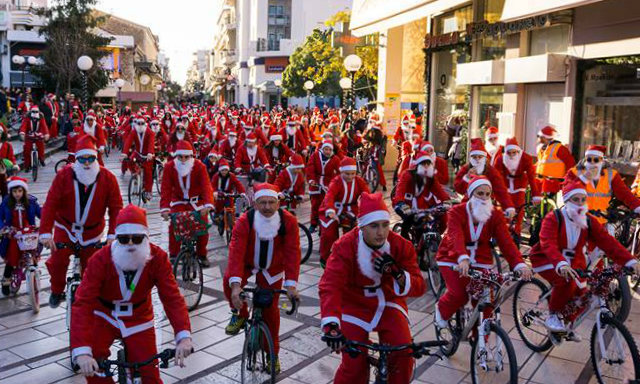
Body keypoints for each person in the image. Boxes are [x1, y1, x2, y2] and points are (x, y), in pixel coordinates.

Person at [70, 205, 194, 382]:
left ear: (145, 238)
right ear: (116, 238)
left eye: (136, 238)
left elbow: (172, 297)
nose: (129, 244)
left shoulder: (157, 258)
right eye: (123, 239)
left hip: (139, 317)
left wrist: (183, 336)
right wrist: (82, 352)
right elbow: (83, 303)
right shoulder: (100, 259)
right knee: (95, 368)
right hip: (104, 315)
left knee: (150, 374)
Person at [319, 192, 426, 384]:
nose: (381, 232)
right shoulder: (345, 246)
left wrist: (399, 275)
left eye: (385, 225)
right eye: (374, 226)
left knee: (403, 354)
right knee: (354, 364)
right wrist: (331, 325)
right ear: (361, 226)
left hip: (388, 303)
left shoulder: (401, 246)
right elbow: (330, 285)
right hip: (354, 304)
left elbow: (419, 286)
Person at [529, 181, 640, 334]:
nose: (580, 203)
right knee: (565, 280)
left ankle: (565, 327)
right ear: (567, 201)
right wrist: (561, 264)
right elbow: (548, 244)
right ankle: (554, 315)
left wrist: (630, 260)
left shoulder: (587, 220)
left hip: (574, 261)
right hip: (545, 258)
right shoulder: (553, 218)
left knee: (582, 295)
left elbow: (607, 242)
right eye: (576, 199)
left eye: (583, 199)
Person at [434, 175, 532, 329]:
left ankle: (480, 343)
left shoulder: (495, 214)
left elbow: (506, 242)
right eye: (480, 193)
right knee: (459, 293)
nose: (484, 198)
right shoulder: (456, 212)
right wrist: (462, 257)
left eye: (487, 194)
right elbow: (455, 236)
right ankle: (442, 310)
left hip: (481, 257)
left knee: (486, 300)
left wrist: (519, 264)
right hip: (451, 256)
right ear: (471, 194)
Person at [223, 183, 301, 374]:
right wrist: (235, 286)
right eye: (262, 203)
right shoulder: (244, 221)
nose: (267, 207)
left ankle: (271, 354)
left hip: (272, 269)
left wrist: (291, 285)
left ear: (278, 202)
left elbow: (293, 253)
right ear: (255, 204)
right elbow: (236, 251)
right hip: (248, 264)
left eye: (271, 202)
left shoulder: (288, 221)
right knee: (228, 280)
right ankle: (240, 314)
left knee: (271, 313)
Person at [40, 136, 123, 307]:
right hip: (66, 227)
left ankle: (87, 303)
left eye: (90, 158)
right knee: (57, 261)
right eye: (82, 159)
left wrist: (112, 235)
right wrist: (46, 233)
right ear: (76, 159)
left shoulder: (108, 178)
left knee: (92, 270)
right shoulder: (63, 175)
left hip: (92, 232)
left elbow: (116, 208)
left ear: (96, 158)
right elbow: (50, 203)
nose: (86, 163)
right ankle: (56, 291)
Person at [160, 140, 214, 267]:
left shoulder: (200, 166)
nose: (183, 160)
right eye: (180, 157)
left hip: (197, 201)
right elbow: (166, 188)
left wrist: (207, 205)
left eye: (186, 157)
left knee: (203, 226)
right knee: (174, 223)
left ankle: (202, 254)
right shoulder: (169, 167)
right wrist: (165, 208)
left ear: (191, 156)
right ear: (176, 156)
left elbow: (206, 186)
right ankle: (174, 254)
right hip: (178, 201)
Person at [564, 144, 640, 224]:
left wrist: (637, 206)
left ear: (601, 161)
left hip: (601, 221)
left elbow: (624, 193)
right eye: (589, 159)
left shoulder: (611, 175)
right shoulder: (573, 173)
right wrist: (584, 178)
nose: (592, 162)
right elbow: (566, 193)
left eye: (596, 160)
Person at [319, 157, 370, 266]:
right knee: (328, 232)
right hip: (334, 208)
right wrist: (330, 211)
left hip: (352, 209)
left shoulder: (359, 181)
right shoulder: (336, 181)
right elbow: (330, 196)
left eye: (353, 173)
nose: (350, 177)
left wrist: (370, 207)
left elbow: (367, 194)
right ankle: (325, 258)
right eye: (347, 174)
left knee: (355, 231)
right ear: (341, 171)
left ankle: (351, 255)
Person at [392, 151, 450, 239]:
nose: (426, 166)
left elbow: (440, 192)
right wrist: (402, 204)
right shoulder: (407, 175)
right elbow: (400, 191)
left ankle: (436, 238)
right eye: (423, 163)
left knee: (442, 216)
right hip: (405, 203)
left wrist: (448, 201)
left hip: (423, 206)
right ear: (417, 165)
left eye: (428, 163)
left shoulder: (431, 178)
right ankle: (405, 241)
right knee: (410, 218)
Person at [454, 138, 515, 218]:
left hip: (487, 204)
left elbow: (501, 190)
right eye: (474, 157)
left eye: (480, 157)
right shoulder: (466, 169)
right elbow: (458, 189)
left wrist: (508, 206)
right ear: (471, 158)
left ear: (485, 158)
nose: (477, 160)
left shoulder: (491, 171)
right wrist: (466, 178)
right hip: (468, 205)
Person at [493, 137, 541, 237]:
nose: (511, 155)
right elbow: (495, 179)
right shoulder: (500, 159)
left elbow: (531, 178)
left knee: (519, 208)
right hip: (505, 183)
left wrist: (535, 195)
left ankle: (517, 232)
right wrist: (493, 194)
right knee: (503, 208)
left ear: (518, 151)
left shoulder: (526, 158)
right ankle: (502, 232)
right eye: (509, 153)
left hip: (520, 184)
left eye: (514, 152)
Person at [0, 177, 41, 296]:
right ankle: (6, 282)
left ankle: (34, 273)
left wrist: (48, 220)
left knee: (33, 253)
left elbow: (40, 213)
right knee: (11, 258)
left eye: (20, 191)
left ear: (24, 191)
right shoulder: (6, 203)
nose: (17, 194)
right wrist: (4, 228)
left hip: (28, 233)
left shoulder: (31, 202)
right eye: (14, 191)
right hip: (13, 233)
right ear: (10, 192)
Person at [306, 139, 340, 233]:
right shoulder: (315, 155)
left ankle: (323, 225)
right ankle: (313, 224)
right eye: (326, 149)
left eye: (329, 150)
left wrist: (337, 183)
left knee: (326, 204)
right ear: (322, 149)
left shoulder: (335, 159)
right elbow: (310, 167)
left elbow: (339, 171)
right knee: (315, 204)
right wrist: (311, 179)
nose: (327, 151)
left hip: (328, 184)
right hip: (315, 183)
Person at [121, 117, 156, 202]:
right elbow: (129, 141)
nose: (140, 125)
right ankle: (135, 175)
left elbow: (151, 143)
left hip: (147, 155)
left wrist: (150, 153)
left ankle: (148, 191)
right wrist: (125, 153)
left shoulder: (150, 132)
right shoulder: (134, 132)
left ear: (145, 124)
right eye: (138, 123)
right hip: (137, 153)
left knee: (148, 173)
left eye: (142, 123)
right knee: (130, 161)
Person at [535, 125, 575, 196]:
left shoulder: (560, 148)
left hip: (553, 184)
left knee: (548, 205)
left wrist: (568, 180)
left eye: (540, 137)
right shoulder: (541, 149)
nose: (538, 139)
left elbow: (570, 164)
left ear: (545, 137)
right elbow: (541, 164)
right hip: (541, 182)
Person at [211, 158, 245, 223]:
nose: (224, 172)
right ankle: (216, 215)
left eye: (226, 170)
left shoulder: (232, 176)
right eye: (222, 170)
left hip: (228, 193)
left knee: (230, 206)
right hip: (218, 193)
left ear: (228, 170)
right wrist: (214, 192)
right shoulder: (216, 176)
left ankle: (231, 221)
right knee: (218, 205)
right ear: (220, 170)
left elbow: (238, 184)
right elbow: (213, 185)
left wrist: (242, 192)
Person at [20, 105, 49, 171]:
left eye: (36, 112)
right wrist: (22, 133)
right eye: (33, 111)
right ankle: (27, 165)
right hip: (29, 134)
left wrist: (46, 134)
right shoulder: (27, 118)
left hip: (38, 134)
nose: (35, 113)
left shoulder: (41, 117)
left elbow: (44, 126)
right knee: (27, 150)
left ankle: (41, 159)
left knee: (41, 146)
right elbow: (23, 126)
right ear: (31, 112)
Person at [362, 115, 387, 191]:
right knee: (369, 165)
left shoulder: (375, 130)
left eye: (372, 121)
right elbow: (365, 138)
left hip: (376, 151)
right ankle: (381, 184)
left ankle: (382, 184)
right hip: (373, 150)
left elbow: (367, 137)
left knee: (376, 167)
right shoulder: (374, 130)